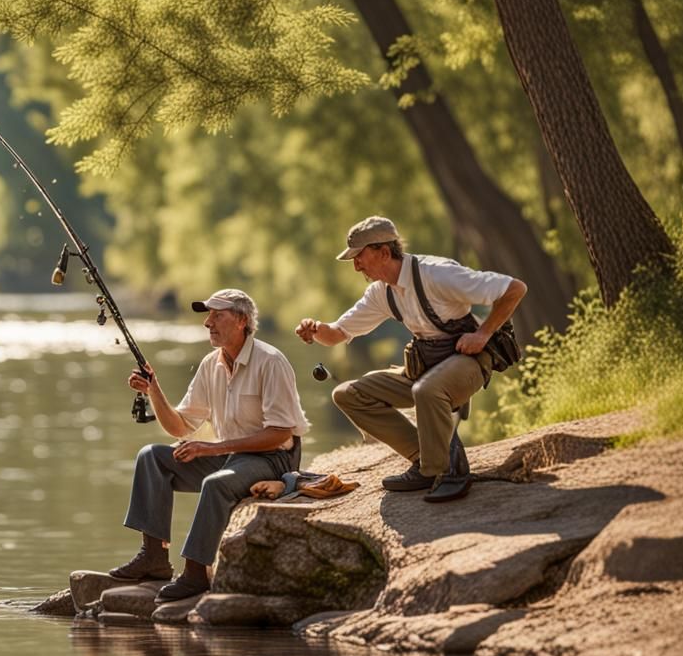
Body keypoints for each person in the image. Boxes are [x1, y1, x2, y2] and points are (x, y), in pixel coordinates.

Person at [295, 216, 527, 503]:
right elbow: (336, 334)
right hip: (425, 366)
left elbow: (514, 289)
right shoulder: (380, 292)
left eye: (359, 256)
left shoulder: (438, 273)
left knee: (426, 390)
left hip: (469, 361)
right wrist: (315, 329)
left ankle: (446, 472)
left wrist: (482, 334)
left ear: (383, 252)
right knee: (346, 394)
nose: (356, 266)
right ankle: (425, 459)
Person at [111, 288, 311, 602]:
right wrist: (154, 390)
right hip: (231, 455)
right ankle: (154, 559)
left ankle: (195, 573)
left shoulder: (271, 361)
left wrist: (210, 448)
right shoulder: (210, 364)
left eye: (218, 315)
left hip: (274, 458)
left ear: (243, 321)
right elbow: (179, 425)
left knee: (215, 484)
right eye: (208, 315)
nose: (208, 323)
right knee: (151, 456)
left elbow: (279, 432)